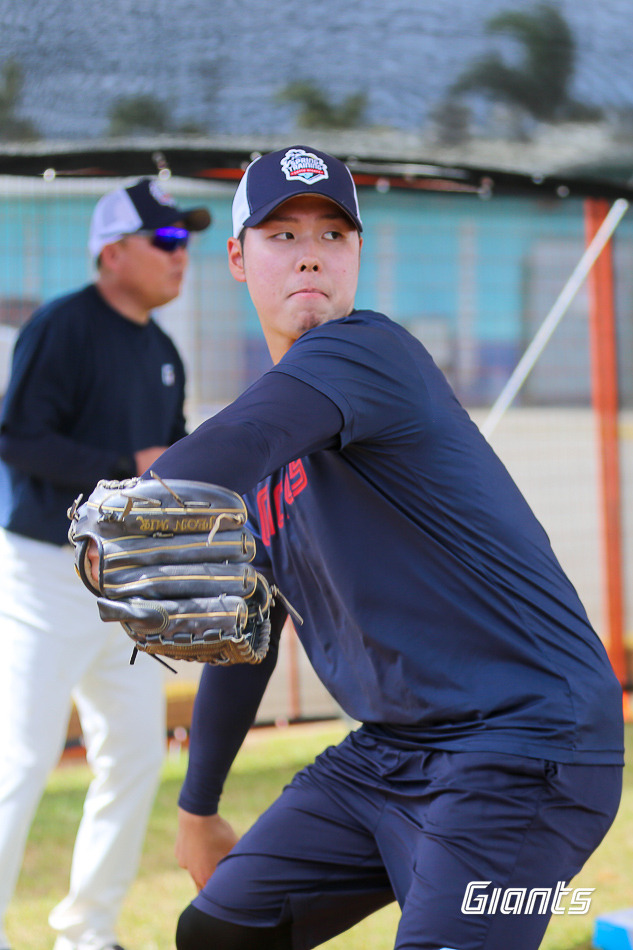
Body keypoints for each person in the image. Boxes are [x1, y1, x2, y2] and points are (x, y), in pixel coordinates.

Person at [136, 147, 621, 949]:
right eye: (280, 234)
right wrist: (199, 808)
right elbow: (249, 635)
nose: (309, 254)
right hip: (390, 754)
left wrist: (141, 506)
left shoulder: (367, 350)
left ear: (358, 253)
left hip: (525, 742)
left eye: (333, 233)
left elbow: (213, 456)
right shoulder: (259, 442)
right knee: (220, 933)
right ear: (236, 257)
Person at [0, 177, 210, 950]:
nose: (180, 255)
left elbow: (174, 456)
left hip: (125, 578)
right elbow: (17, 438)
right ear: (111, 252)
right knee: (18, 760)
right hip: (44, 573)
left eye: (185, 241)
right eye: (165, 241)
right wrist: (129, 460)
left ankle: (87, 934)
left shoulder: (162, 349)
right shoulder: (63, 325)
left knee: (133, 757)